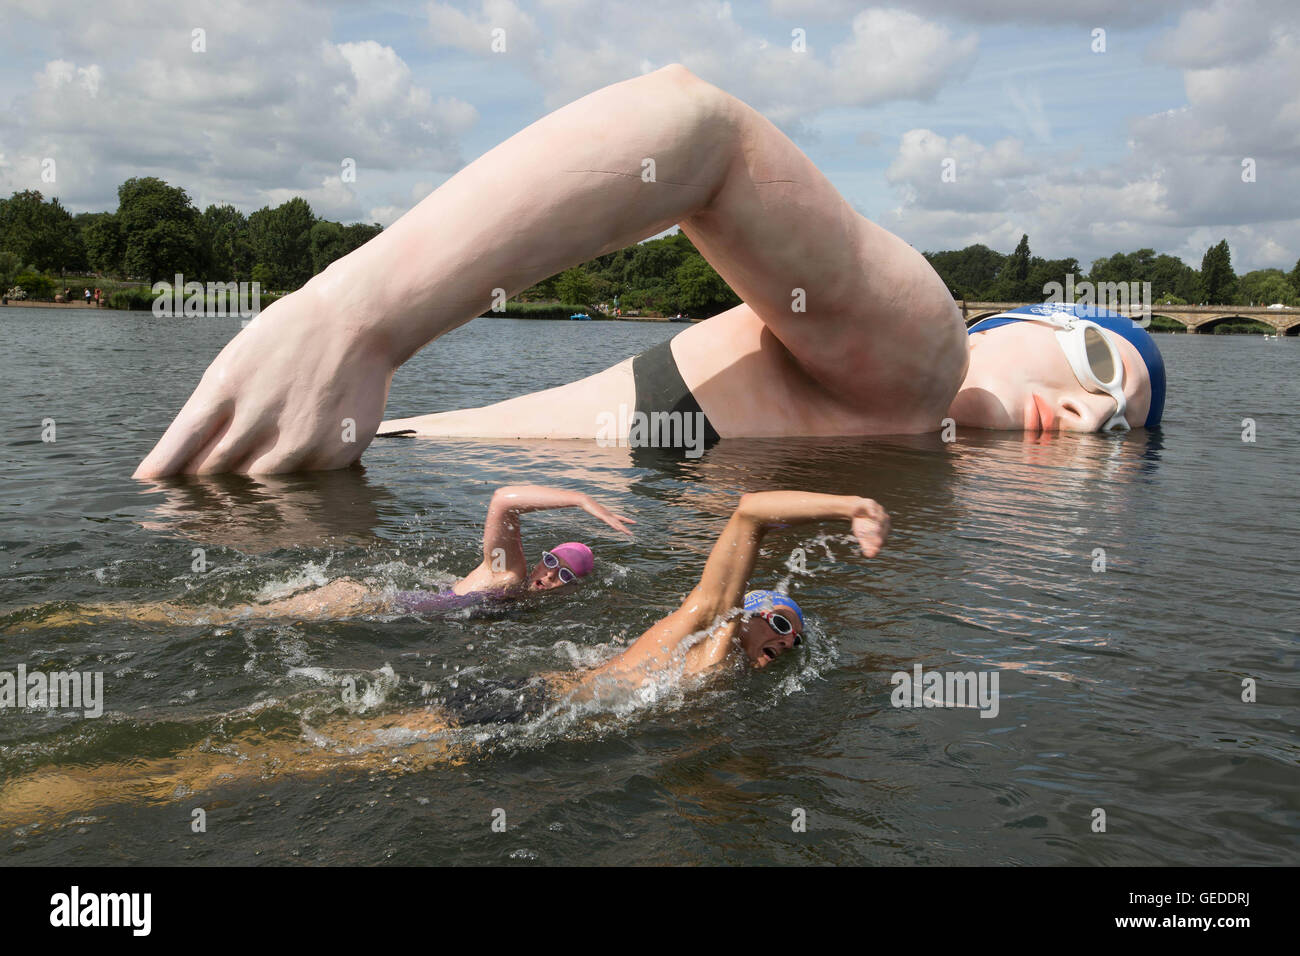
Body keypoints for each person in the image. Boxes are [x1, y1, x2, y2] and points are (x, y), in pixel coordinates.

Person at [132, 64, 1166, 478]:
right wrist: (354, 316)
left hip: (342, 479)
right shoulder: (923, 353)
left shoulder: (920, 443)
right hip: (327, 476)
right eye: (1093, 359)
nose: (1086, 414)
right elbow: (699, 131)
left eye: (1120, 425)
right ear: (1007, 323)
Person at [0, 490, 887, 821]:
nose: (789, 642)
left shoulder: (721, 674)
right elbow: (748, 514)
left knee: (301, 757)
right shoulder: (701, 632)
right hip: (523, 705)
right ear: (757, 615)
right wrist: (851, 502)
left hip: (523, 697)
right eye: (785, 626)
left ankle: (81, 789)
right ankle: (80, 792)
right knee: (287, 763)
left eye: (795, 639)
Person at [10, 485, 633, 629]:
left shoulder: (518, 598)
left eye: (563, 573)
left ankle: (97, 616)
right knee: (215, 619)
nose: (550, 574)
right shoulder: (512, 576)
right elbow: (503, 500)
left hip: (379, 605)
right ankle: (89, 617)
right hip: (363, 601)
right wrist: (579, 496)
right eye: (554, 563)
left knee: (228, 617)